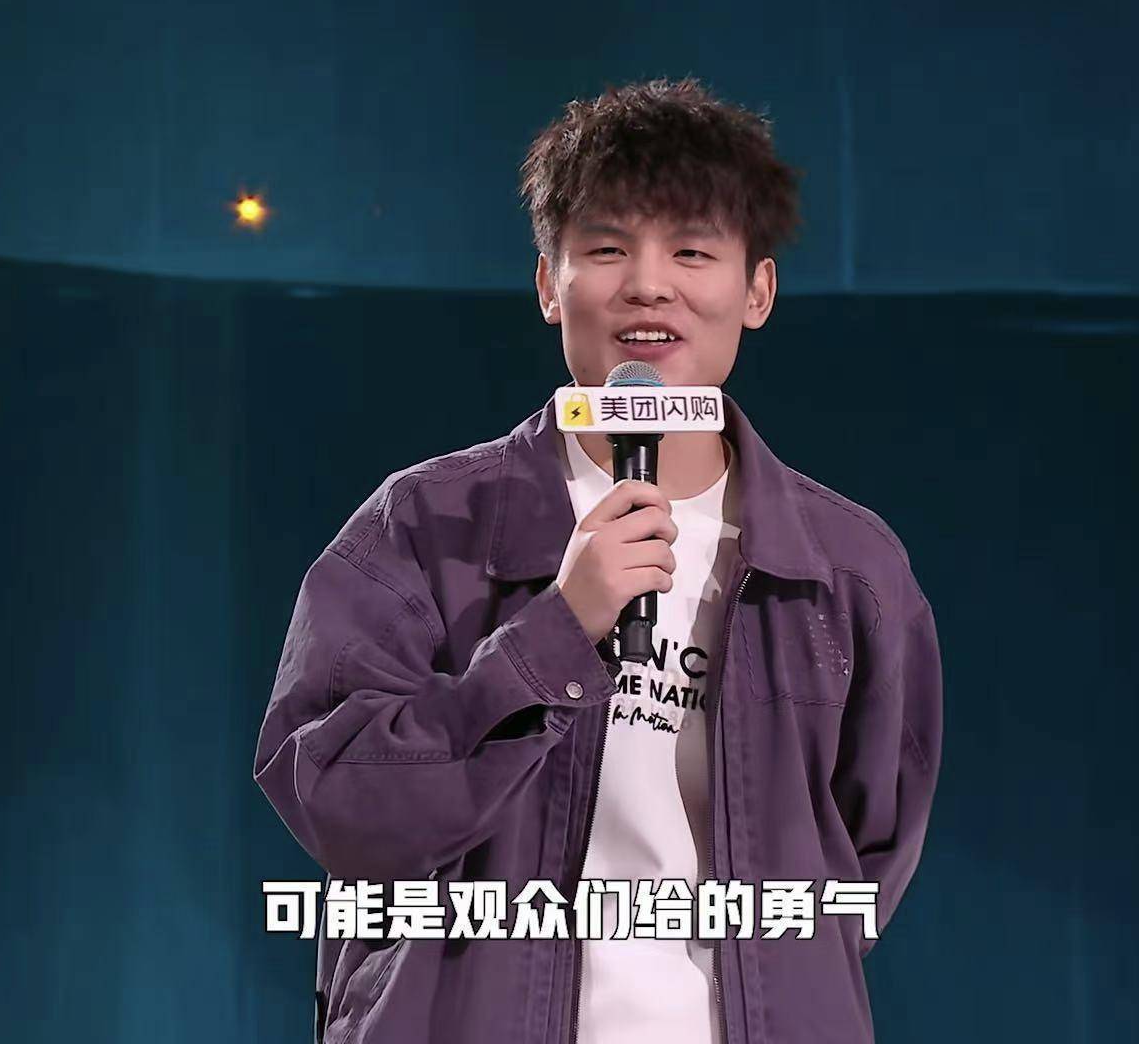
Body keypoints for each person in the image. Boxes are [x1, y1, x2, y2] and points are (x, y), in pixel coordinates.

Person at [255, 76, 942, 1044]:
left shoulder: (850, 569)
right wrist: (553, 636)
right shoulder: (423, 527)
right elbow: (337, 800)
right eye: (608, 249)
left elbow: (867, 851)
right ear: (549, 283)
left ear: (757, 291)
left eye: (692, 251)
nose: (649, 285)